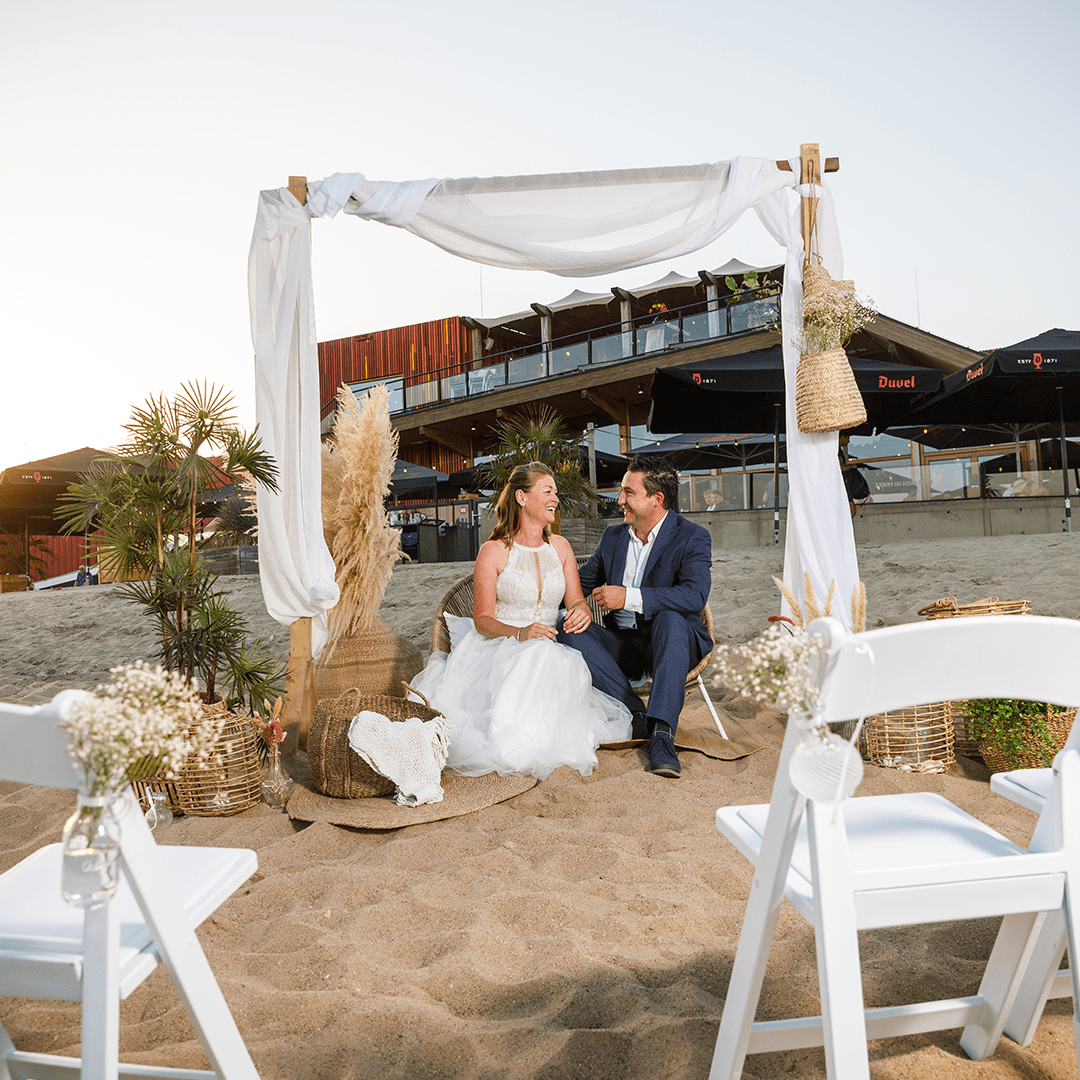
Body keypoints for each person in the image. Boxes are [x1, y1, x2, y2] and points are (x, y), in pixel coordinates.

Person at [410, 462, 632, 780]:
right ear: (522, 497)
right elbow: (482, 619)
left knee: (551, 655)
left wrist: (581, 610)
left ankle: (532, 740)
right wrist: (520, 632)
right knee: (538, 654)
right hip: (500, 643)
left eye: (556, 492)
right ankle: (512, 745)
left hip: (550, 640)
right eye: (547, 491)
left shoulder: (561, 548)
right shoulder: (493, 551)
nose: (555, 498)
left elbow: (575, 601)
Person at [556, 456, 712, 779]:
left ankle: (662, 736)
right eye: (621, 491)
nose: (620, 500)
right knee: (566, 627)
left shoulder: (692, 536)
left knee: (670, 619)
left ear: (657, 499)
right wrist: (576, 603)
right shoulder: (612, 538)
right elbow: (576, 585)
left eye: (628, 492)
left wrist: (628, 597)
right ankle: (635, 710)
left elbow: (694, 595)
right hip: (623, 648)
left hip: (671, 645)